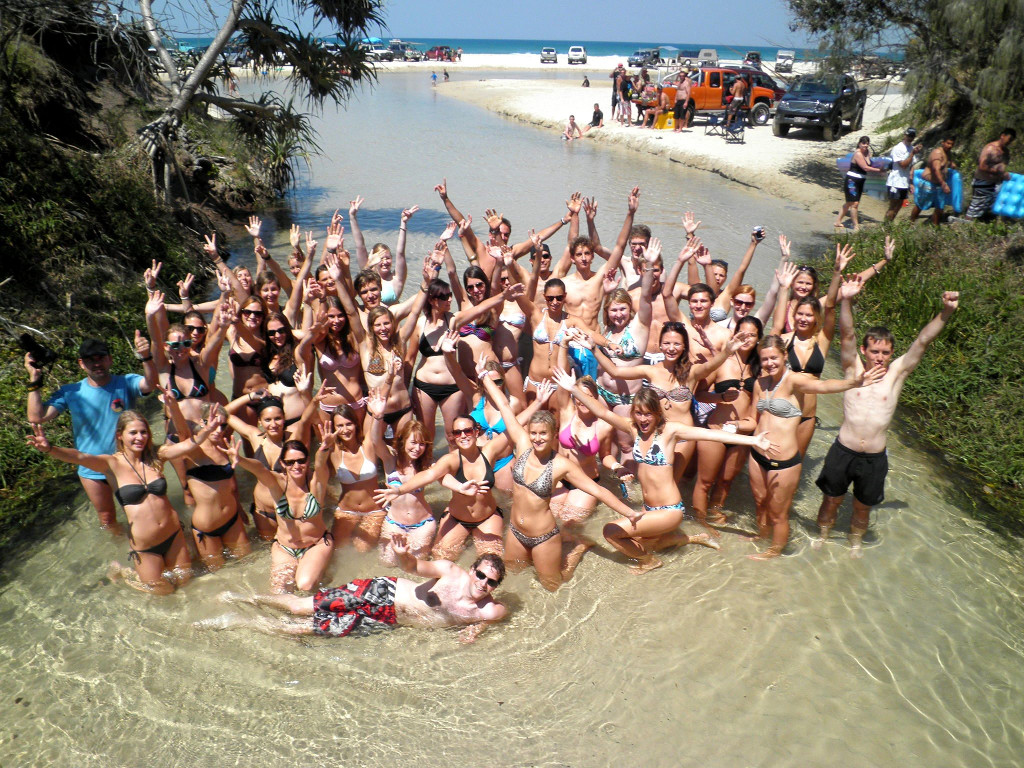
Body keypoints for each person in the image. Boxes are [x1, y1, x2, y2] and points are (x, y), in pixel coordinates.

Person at [554, 372, 772, 573]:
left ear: (657, 413)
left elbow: (710, 435)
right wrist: (573, 388)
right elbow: (601, 411)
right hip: (649, 508)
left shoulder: (670, 431)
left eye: (648, 414)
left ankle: (649, 562)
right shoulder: (633, 428)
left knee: (610, 532)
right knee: (647, 544)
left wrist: (753, 440)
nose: (643, 419)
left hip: (669, 510)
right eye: (638, 413)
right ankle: (690, 537)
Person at [815, 280, 959, 557]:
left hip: (874, 457)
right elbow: (846, 335)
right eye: (874, 351)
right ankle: (822, 536)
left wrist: (946, 312)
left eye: (885, 352)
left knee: (862, 507)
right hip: (842, 451)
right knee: (831, 500)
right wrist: (846, 300)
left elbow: (923, 340)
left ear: (892, 353)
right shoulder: (852, 370)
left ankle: (855, 544)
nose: (879, 357)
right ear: (864, 352)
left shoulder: (896, 375)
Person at [479, 373, 638, 591]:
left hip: (543, 537)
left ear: (554, 435)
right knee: (513, 574)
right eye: (534, 433)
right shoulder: (523, 444)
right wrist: (484, 377)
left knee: (553, 585)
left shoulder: (561, 465)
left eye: (543, 434)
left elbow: (597, 490)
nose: (538, 438)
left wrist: (630, 513)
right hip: (516, 531)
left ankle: (577, 550)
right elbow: (504, 406)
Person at [26, 411, 198, 593]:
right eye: (133, 433)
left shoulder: (155, 456)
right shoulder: (111, 464)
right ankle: (124, 571)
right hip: (146, 546)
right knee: (162, 592)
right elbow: (79, 457)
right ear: (120, 435)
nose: (140, 437)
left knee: (185, 583)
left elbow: (186, 446)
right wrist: (50, 449)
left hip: (173, 535)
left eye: (143, 432)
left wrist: (208, 429)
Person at [747, 335, 885, 561]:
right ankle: (762, 537)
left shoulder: (795, 381)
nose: (769, 363)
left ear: (784, 356)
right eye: (764, 359)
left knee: (778, 512)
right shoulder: (759, 383)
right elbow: (754, 419)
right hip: (756, 456)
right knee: (760, 502)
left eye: (774, 357)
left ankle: (774, 551)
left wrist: (854, 382)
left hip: (783, 462)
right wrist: (732, 426)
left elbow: (823, 385)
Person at [213, 538, 506, 643]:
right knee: (300, 607)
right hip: (381, 592)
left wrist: (477, 629)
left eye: (491, 582)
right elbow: (415, 567)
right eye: (480, 575)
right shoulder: (450, 572)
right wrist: (404, 555)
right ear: (472, 570)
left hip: (386, 620)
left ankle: (241, 622)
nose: (483, 583)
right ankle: (245, 598)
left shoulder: (487, 610)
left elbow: (499, 613)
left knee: (303, 629)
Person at [26, 335, 157, 531]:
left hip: (126, 463)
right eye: (90, 360)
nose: (97, 363)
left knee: (144, 511)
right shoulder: (71, 391)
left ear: (109, 359)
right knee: (106, 519)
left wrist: (146, 357)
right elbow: (37, 417)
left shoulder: (126, 382)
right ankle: (121, 556)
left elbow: (150, 384)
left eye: (101, 358)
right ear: (81, 363)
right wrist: (34, 381)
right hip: (91, 468)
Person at [965, 128, 1016, 221]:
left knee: (1000, 204)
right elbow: (982, 166)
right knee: (976, 208)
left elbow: (1003, 167)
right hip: (983, 182)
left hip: (996, 183)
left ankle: (1001, 226)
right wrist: (999, 172)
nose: (1009, 142)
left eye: (1011, 141)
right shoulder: (990, 148)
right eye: (1009, 139)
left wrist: (1005, 176)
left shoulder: (1006, 152)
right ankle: (965, 224)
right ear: (1002, 136)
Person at [835, 136, 884, 231]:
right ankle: (856, 226)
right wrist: (879, 170)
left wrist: (879, 164)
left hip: (860, 181)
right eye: (863, 143)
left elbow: (870, 164)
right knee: (855, 204)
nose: (865, 145)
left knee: (849, 203)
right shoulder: (858, 153)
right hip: (851, 181)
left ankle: (837, 221)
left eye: (867, 143)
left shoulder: (868, 153)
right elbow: (865, 168)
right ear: (859, 143)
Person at [909, 137, 956, 225]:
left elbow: (949, 162)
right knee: (920, 205)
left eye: (952, 144)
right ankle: (910, 223)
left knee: (940, 207)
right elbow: (936, 170)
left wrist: (952, 164)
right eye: (948, 143)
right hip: (929, 184)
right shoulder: (937, 153)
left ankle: (935, 227)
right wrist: (944, 184)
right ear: (943, 142)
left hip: (939, 185)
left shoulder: (947, 152)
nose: (950, 146)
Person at [884, 128, 922, 222]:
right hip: (895, 182)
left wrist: (911, 182)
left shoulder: (911, 148)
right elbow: (903, 165)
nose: (910, 138)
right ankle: (886, 229)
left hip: (904, 183)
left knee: (899, 205)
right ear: (905, 135)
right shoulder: (898, 148)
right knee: (892, 206)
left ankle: (889, 226)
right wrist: (912, 154)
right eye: (909, 135)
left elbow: (911, 166)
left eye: (912, 136)